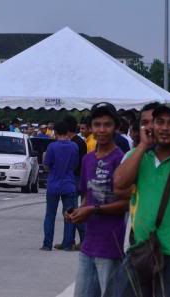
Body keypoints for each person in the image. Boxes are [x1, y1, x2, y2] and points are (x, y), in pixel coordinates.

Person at [106, 104, 170, 296]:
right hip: (141, 248)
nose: (165, 128)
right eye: (160, 122)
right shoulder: (139, 155)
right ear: (152, 126)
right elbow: (119, 182)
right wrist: (142, 145)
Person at [67, 103, 128, 297]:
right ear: (91, 127)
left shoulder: (121, 159)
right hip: (88, 244)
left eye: (107, 124)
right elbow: (86, 196)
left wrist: (93, 210)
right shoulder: (87, 159)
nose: (102, 130)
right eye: (97, 124)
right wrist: (77, 213)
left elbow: (127, 202)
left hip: (111, 244)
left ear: (116, 127)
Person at [41, 121, 79, 251]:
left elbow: (46, 164)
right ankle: (68, 244)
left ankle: (47, 244)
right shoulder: (74, 146)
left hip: (53, 184)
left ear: (55, 133)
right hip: (69, 184)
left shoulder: (52, 147)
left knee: (50, 215)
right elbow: (75, 164)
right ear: (68, 132)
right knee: (69, 214)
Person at [64, 115, 87, 250]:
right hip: (77, 178)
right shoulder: (79, 141)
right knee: (72, 210)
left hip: (75, 178)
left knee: (74, 211)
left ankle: (82, 239)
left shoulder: (75, 143)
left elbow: (76, 163)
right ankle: (70, 240)